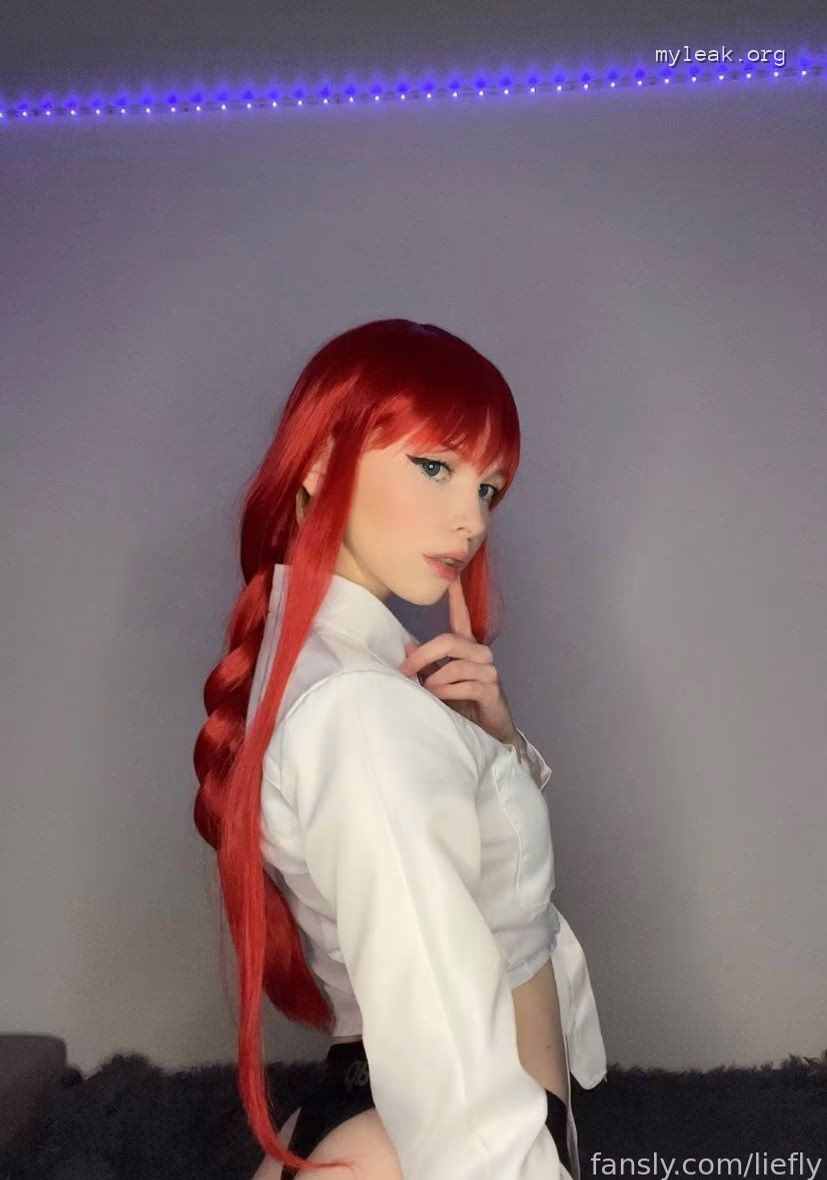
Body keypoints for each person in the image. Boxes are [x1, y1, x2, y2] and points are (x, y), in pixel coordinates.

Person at [193, 319, 607, 1180]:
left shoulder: (342, 671)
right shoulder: (359, 707)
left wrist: (493, 742)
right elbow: (436, 1009)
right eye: (435, 467)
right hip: (455, 1132)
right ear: (319, 462)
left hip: (394, 1113)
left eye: (489, 488)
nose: (472, 520)